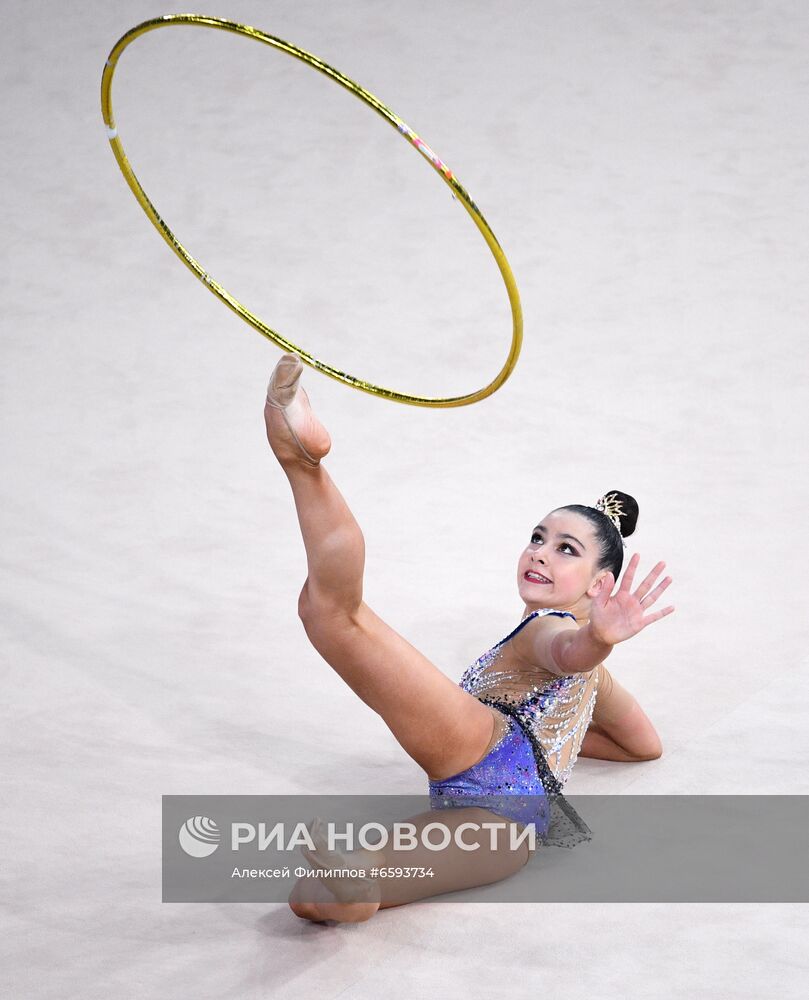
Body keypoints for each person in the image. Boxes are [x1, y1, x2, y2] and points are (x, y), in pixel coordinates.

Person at [264, 353, 674, 924]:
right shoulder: (590, 672)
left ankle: (302, 462)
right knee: (320, 897)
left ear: (600, 584)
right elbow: (643, 746)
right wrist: (555, 741)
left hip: (482, 749)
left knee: (332, 614)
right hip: (510, 831)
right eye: (538, 537)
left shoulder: (550, 630)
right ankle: (351, 884)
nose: (540, 552)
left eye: (566, 549)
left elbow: (568, 650)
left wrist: (597, 644)